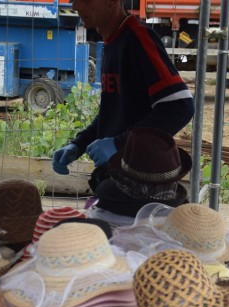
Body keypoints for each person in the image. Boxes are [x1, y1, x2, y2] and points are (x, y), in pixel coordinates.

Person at [52, 0, 195, 191]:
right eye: (73, 0)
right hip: (119, 179)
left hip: (140, 185)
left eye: (84, 0)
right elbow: (113, 112)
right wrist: (79, 144)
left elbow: (180, 106)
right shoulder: (113, 41)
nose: (76, 6)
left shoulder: (138, 39)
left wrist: (120, 144)